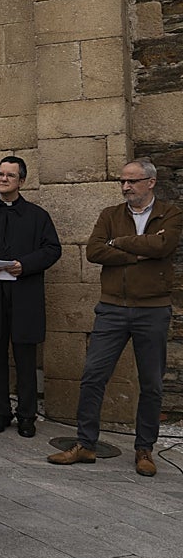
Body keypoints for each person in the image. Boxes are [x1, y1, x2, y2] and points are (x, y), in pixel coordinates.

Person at [48, 159, 182, 477]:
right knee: (93, 375)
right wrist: (139, 252)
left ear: (150, 182)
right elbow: (94, 251)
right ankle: (85, 444)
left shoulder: (170, 213)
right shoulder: (110, 214)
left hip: (153, 309)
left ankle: (144, 449)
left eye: (132, 181)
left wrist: (119, 243)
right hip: (112, 308)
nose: (125, 187)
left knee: (151, 383)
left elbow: (164, 246)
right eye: (122, 181)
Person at [0, 156, 61, 438]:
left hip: (24, 295)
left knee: (25, 359)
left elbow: (52, 249)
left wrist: (26, 265)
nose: (3, 179)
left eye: (10, 175)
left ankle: (27, 415)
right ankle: (0, 412)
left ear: (21, 181)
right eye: (0, 174)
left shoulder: (38, 216)